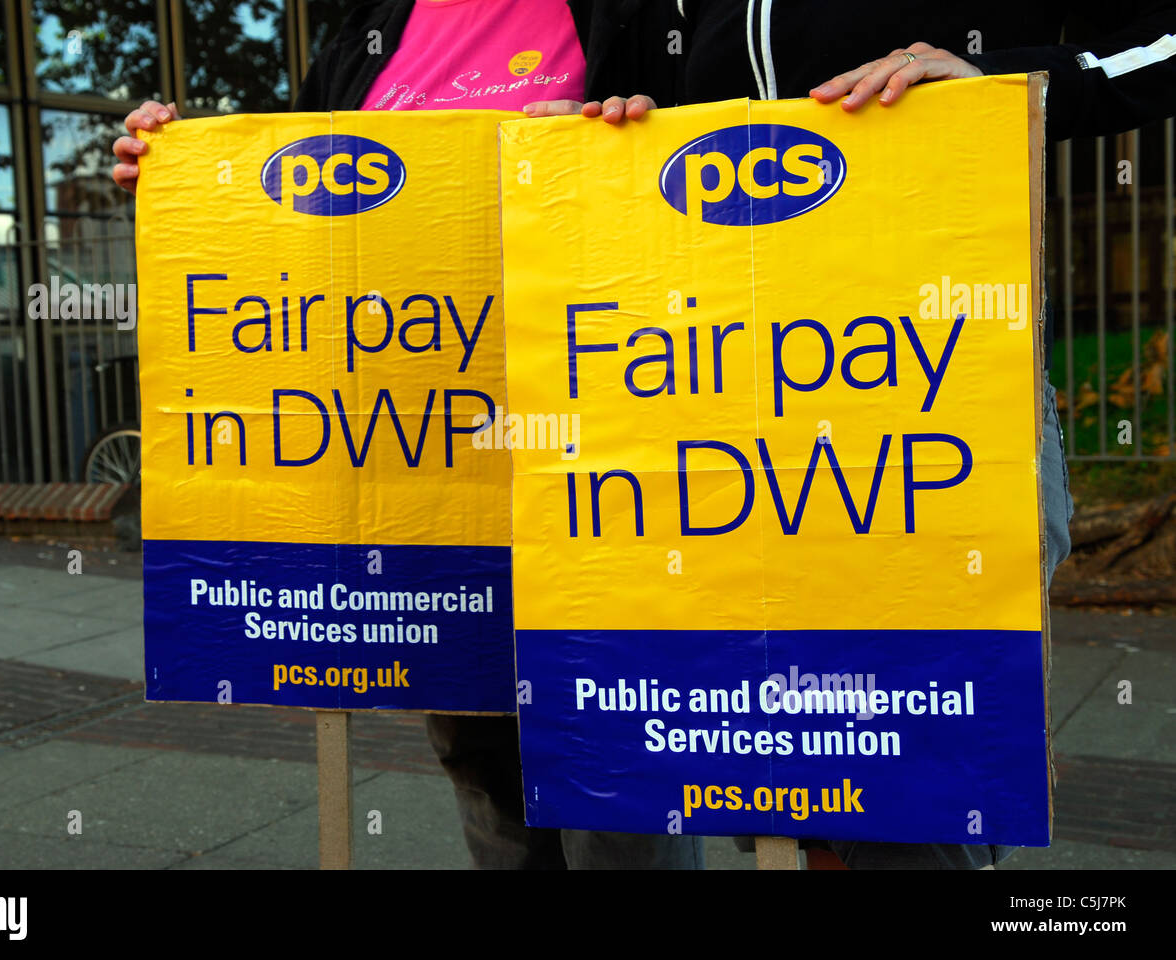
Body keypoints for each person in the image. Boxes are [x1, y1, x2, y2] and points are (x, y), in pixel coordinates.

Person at [536, 0, 1176, 868]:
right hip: (706, 343)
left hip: (918, 333)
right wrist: (610, 133)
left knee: (909, 734)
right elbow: (653, 84)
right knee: (746, 724)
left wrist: (1003, 81)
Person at [112, 0, 702, 870]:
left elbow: (705, 180)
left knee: (613, 750)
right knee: (477, 747)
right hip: (429, 462)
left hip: (594, 453)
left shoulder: (625, 10)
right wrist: (183, 178)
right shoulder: (372, 24)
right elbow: (305, 219)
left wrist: (632, 139)